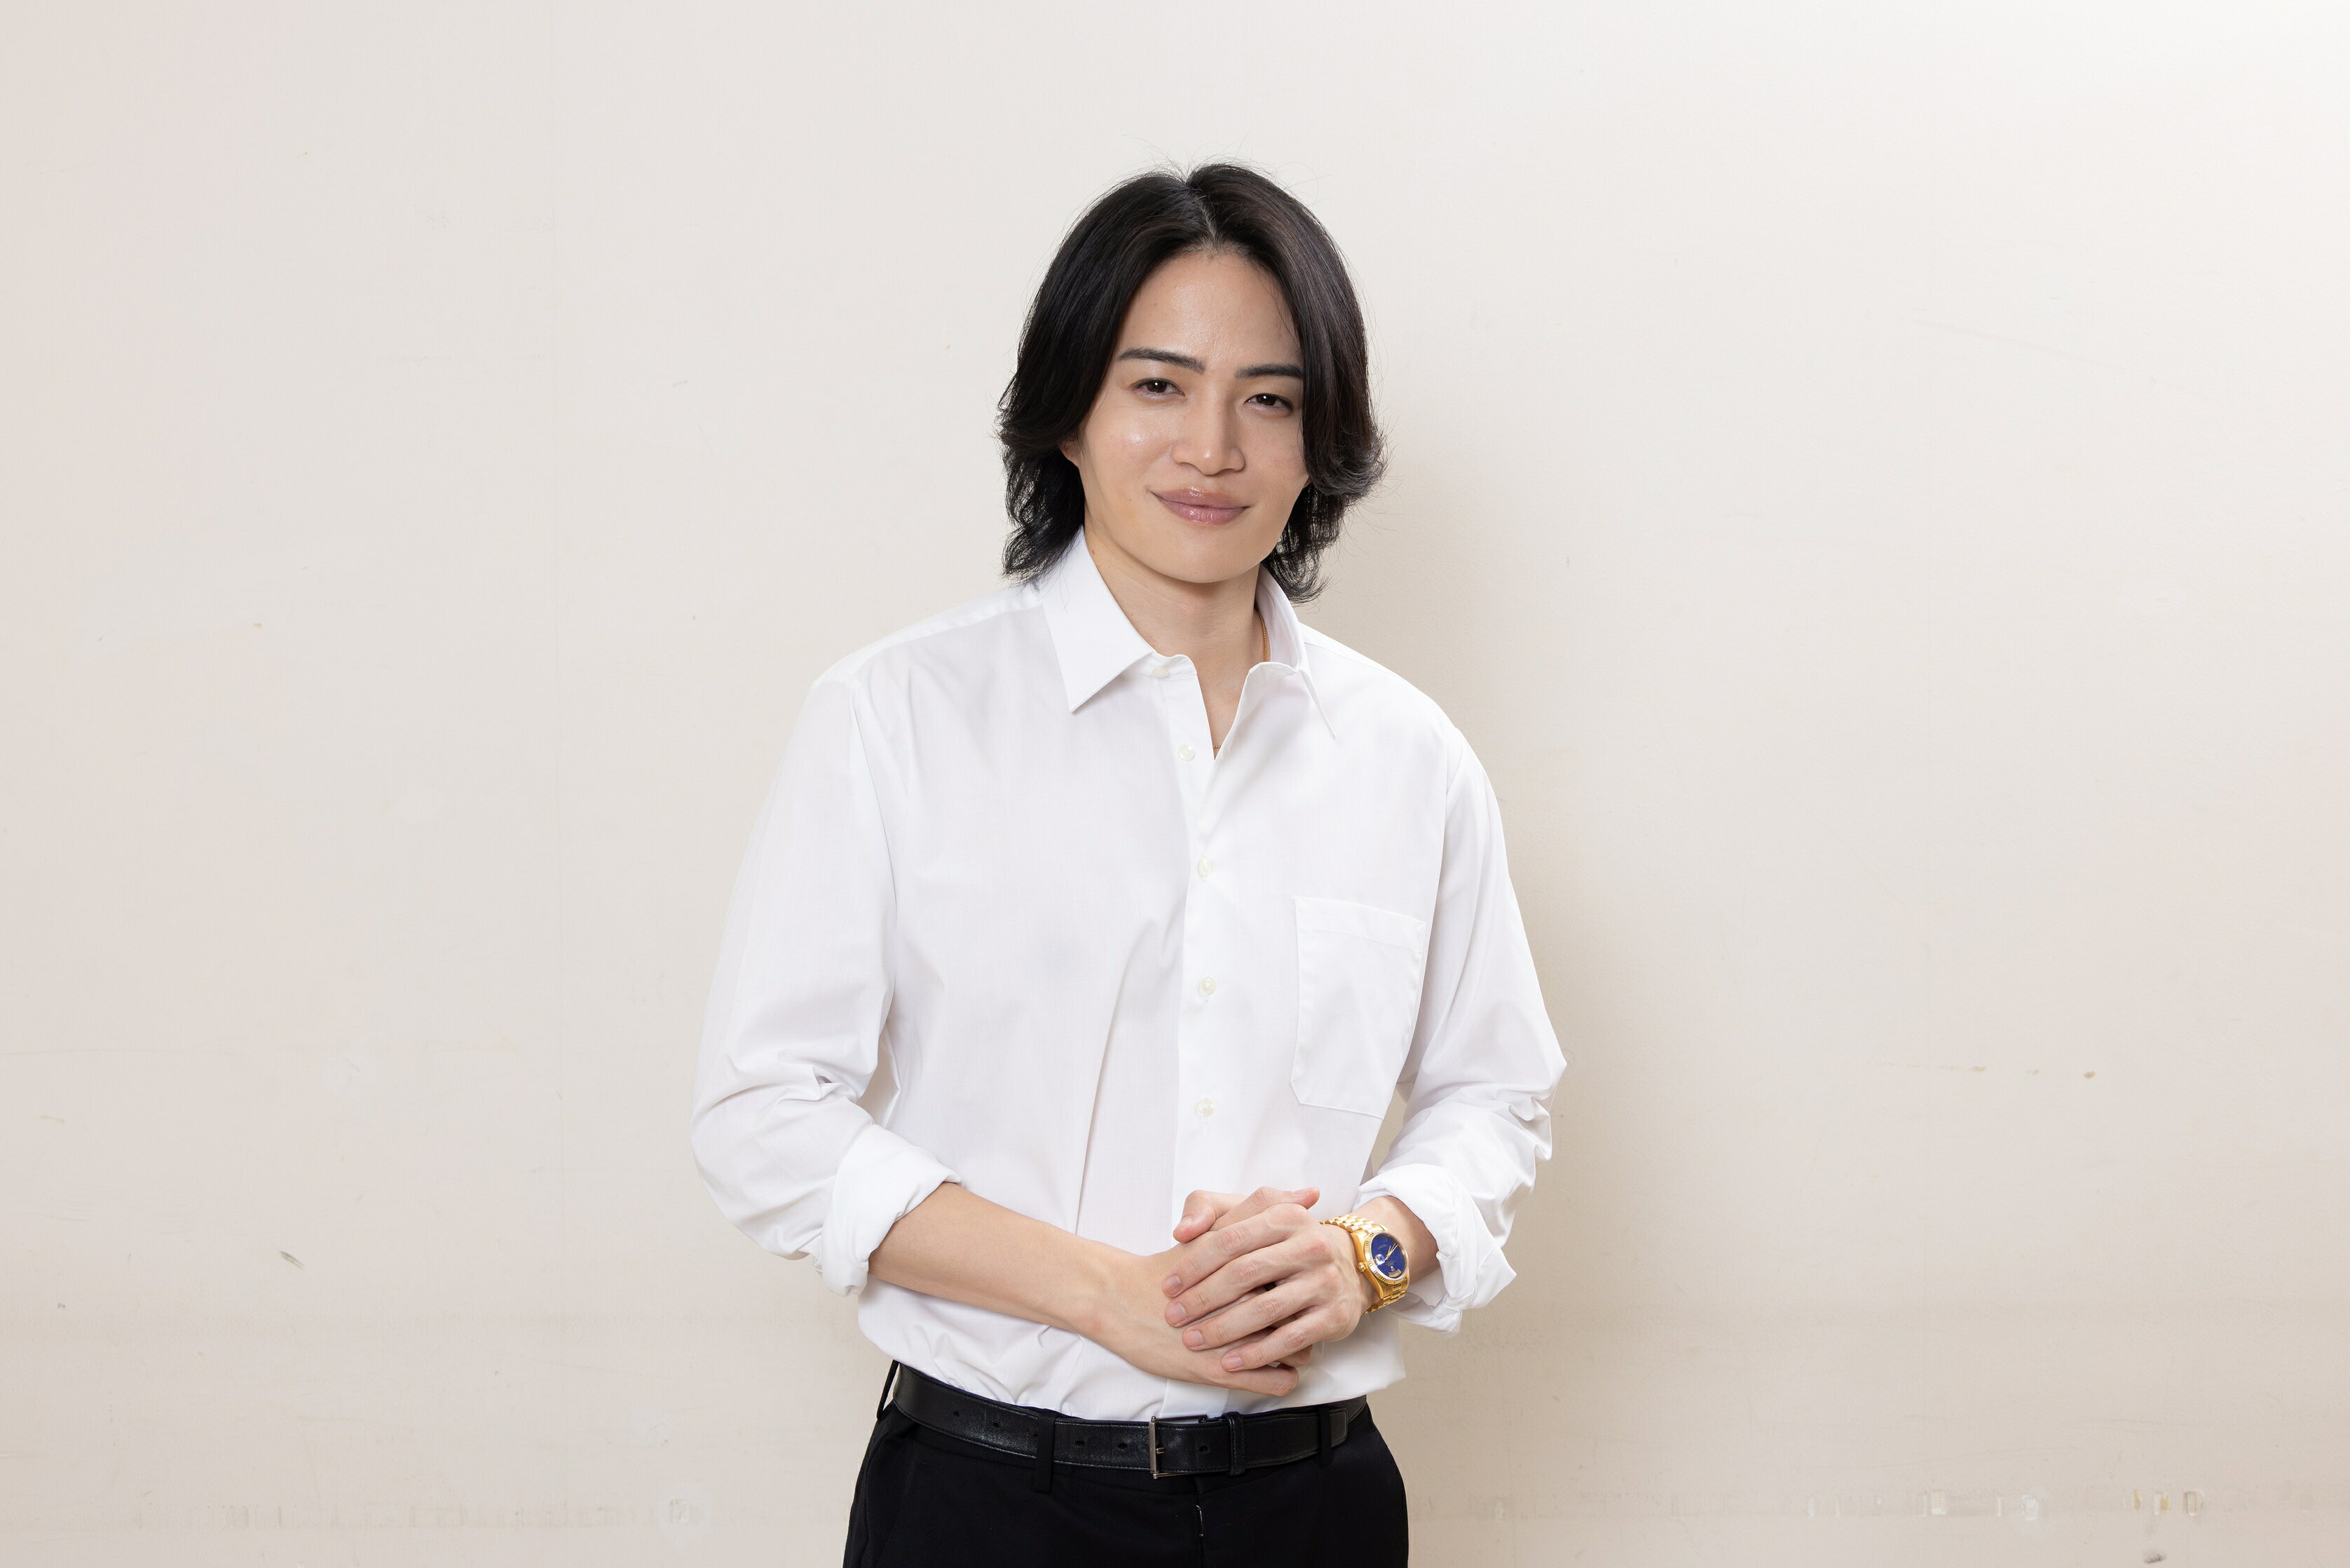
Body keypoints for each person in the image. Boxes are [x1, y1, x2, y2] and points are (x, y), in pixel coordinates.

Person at [690, 163, 1565, 1567]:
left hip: (1316, 1503)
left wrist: (1367, 1254)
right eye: (1158, 385)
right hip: (989, 1502)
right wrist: (1104, 1293)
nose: (1211, 447)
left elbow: (1495, 1095)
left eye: (1268, 399)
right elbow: (763, 1111)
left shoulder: (1410, 756)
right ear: (1069, 416)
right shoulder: (896, 717)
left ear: (1319, 440)